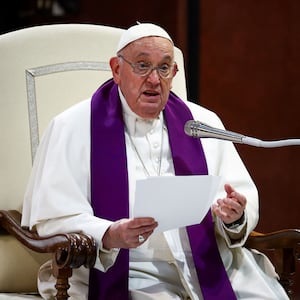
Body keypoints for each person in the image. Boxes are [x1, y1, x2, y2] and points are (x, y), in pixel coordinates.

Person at [21, 23, 288, 300]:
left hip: (212, 265)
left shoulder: (202, 123)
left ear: (174, 73)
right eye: (142, 66)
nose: (154, 79)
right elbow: (53, 218)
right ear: (116, 69)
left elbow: (239, 198)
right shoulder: (73, 127)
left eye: (163, 68)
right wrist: (110, 233)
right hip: (130, 270)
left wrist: (233, 218)